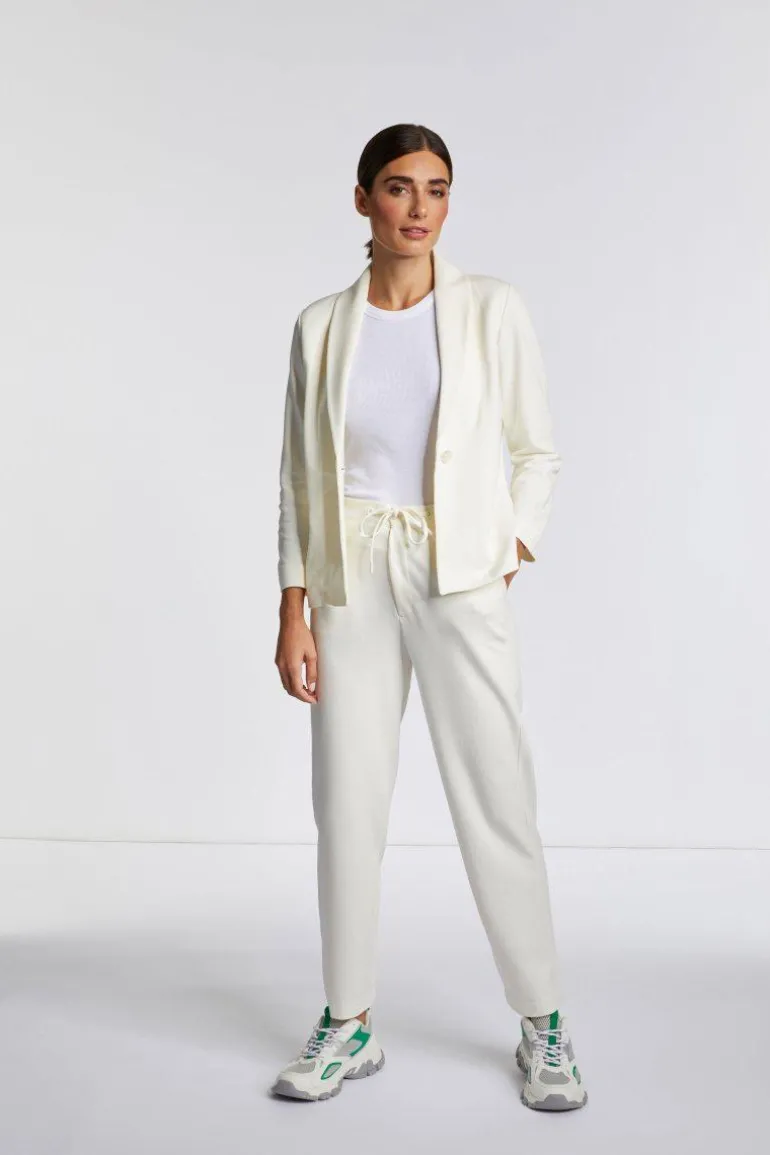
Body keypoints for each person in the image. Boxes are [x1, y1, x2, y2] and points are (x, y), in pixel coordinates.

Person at [270, 123, 587, 1111]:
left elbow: (537, 451)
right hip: (348, 576)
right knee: (346, 800)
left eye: (437, 189)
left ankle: (542, 1022)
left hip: (456, 572)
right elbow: (297, 480)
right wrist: (292, 605)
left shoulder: (491, 308)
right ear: (362, 198)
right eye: (400, 187)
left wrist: (505, 551)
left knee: (496, 793)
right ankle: (348, 1019)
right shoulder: (320, 326)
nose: (419, 207)